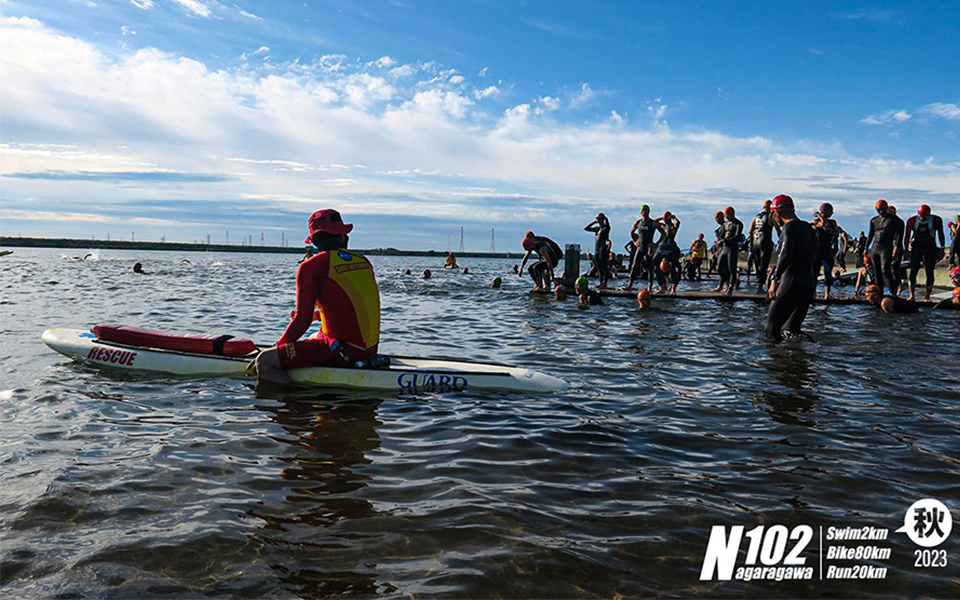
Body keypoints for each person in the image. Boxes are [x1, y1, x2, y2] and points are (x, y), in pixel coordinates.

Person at [255, 209, 380, 384]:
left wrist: (278, 347)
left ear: (314, 240)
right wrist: (318, 315)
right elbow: (354, 307)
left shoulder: (311, 266)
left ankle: (296, 405)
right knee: (314, 336)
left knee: (265, 362)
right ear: (343, 236)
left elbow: (301, 321)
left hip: (344, 353)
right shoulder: (363, 261)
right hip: (369, 351)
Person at [765, 195, 817, 342]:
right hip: (808, 283)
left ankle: (775, 363)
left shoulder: (789, 227)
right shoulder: (808, 228)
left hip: (790, 282)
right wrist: (813, 284)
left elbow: (785, 253)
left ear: (776, 212)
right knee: (792, 330)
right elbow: (815, 257)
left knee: (771, 329)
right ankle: (800, 360)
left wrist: (775, 279)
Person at [904, 204, 946, 301]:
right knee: (913, 271)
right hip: (916, 248)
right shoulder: (912, 220)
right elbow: (907, 236)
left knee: (929, 271)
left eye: (924, 216)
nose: (922, 218)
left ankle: (927, 296)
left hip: (930, 248)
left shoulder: (936, 220)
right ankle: (912, 295)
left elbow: (941, 234)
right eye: (920, 216)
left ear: (929, 214)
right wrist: (906, 250)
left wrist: (942, 248)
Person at [865, 199, 903, 297]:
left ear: (887, 209)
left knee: (885, 270)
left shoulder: (895, 220)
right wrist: (865, 248)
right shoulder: (874, 220)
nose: (880, 212)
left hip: (886, 248)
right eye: (878, 210)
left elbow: (899, 235)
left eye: (882, 210)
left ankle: (892, 292)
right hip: (875, 248)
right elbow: (870, 235)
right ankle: (879, 293)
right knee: (876, 272)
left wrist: (896, 248)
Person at [812, 203, 845, 299]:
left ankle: (827, 293)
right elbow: (823, 225)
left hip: (827, 249)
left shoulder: (833, 222)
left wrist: (821, 216)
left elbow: (832, 231)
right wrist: (819, 216)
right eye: (830, 211)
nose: (832, 212)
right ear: (824, 211)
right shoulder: (815, 222)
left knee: (828, 272)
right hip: (817, 250)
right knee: (815, 272)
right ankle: (813, 293)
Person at [625, 205, 662, 291]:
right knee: (634, 265)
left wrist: (656, 244)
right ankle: (630, 285)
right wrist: (634, 242)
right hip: (640, 247)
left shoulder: (653, 223)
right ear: (641, 212)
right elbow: (631, 232)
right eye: (643, 211)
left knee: (650, 267)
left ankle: (649, 287)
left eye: (646, 210)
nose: (644, 212)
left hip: (649, 248)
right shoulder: (638, 222)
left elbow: (663, 233)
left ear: (649, 212)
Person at [748, 199, 780, 293]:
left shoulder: (756, 217)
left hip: (755, 242)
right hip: (765, 242)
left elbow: (750, 231)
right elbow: (778, 230)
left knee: (758, 265)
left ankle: (760, 285)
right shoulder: (771, 217)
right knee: (764, 265)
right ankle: (760, 287)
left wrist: (751, 245)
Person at [714, 206, 743, 295]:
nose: (726, 218)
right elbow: (721, 234)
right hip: (724, 248)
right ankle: (728, 283)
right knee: (719, 268)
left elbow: (737, 237)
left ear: (732, 214)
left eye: (728, 215)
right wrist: (718, 239)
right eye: (726, 216)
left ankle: (730, 288)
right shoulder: (725, 224)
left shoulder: (738, 224)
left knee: (732, 269)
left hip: (732, 248)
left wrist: (724, 240)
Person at [584, 213, 612, 289]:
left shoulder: (605, 228)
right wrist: (594, 222)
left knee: (604, 267)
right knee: (599, 267)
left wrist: (605, 219)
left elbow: (608, 226)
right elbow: (586, 228)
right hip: (597, 249)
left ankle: (605, 283)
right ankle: (600, 283)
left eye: (599, 218)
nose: (598, 220)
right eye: (597, 218)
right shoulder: (597, 229)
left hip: (603, 249)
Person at [888, 205, 906, 295]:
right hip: (889, 247)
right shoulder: (887, 221)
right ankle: (894, 288)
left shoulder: (898, 222)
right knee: (889, 269)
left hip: (896, 247)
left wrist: (895, 248)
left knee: (894, 267)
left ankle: (898, 286)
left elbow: (898, 236)